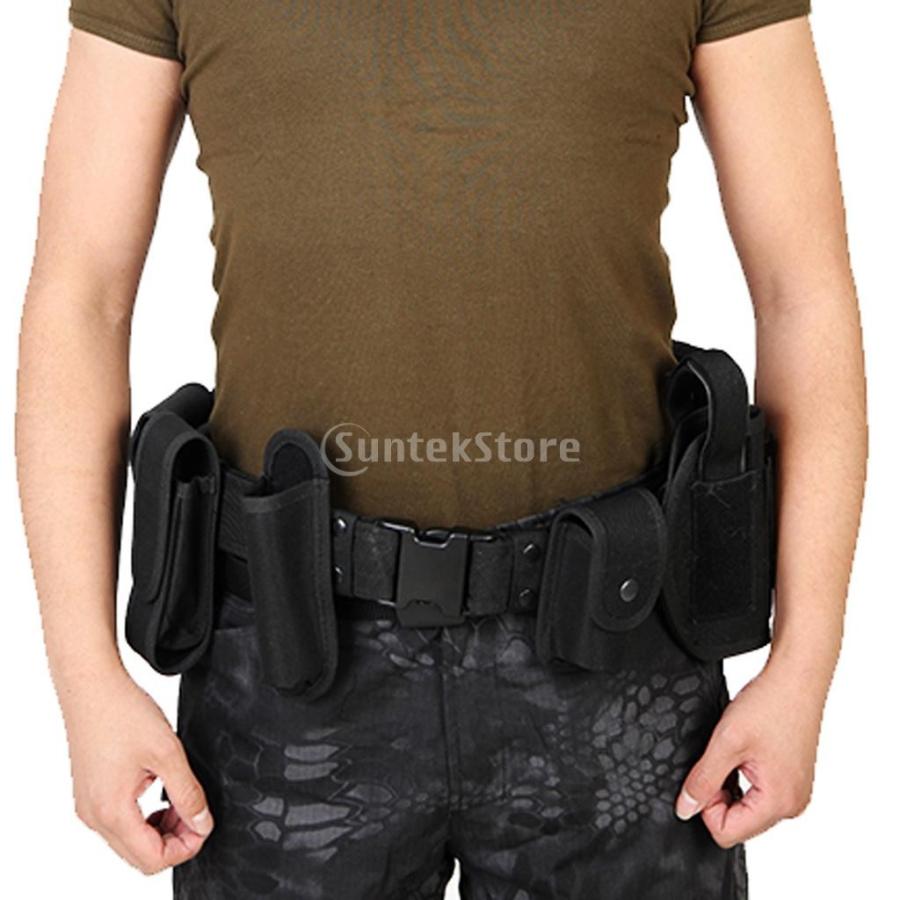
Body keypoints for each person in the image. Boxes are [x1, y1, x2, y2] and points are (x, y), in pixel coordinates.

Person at [16, 1, 865, 898]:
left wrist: (802, 670)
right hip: (286, 656)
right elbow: (82, 295)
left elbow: (801, 289)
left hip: (616, 645)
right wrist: (87, 683)